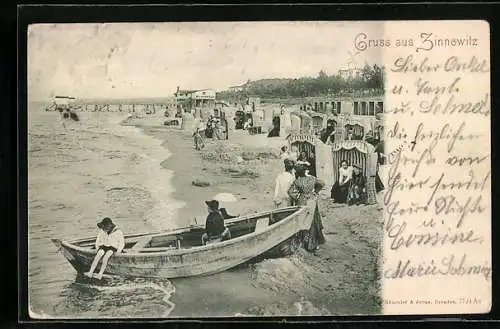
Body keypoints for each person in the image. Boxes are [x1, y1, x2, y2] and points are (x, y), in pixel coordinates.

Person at [287, 164, 325, 251]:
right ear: (304, 171)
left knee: (304, 220)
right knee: (313, 221)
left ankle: (305, 243)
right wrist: (316, 192)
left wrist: (297, 197)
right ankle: (314, 243)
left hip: (303, 201)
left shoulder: (297, 181)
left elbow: (290, 192)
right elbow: (322, 183)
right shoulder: (312, 178)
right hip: (312, 200)